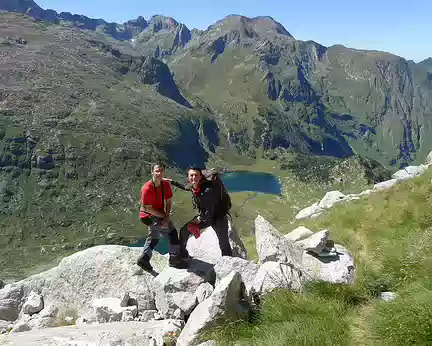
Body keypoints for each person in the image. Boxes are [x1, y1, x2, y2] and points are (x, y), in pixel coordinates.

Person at [166, 167, 233, 259]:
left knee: (224, 244)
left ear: (201, 177)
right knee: (184, 230)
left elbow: (210, 214)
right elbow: (185, 187)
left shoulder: (207, 191)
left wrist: (197, 226)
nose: (193, 177)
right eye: (191, 175)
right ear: (188, 177)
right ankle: (182, 254)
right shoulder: (194, 186)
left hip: (219, 217)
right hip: (206, 216)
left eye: (196, 175)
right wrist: (172, 182)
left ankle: (228, 264)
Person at [137, 163, 188, 272]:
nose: (159, 173)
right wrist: (165, 218)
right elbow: (148, 209)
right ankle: (174, 259)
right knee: (172, 232)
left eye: (161, 171)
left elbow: (169, 201)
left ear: (164, 172)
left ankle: (145, 259)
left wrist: (166, 216)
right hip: (148, 216)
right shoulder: (147, 188)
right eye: (157, 171)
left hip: (159, 214)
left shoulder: (165, 184)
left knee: (154, 236)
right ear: (152, 172)